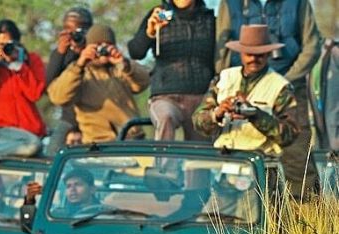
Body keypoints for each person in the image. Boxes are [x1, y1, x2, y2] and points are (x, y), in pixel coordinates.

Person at [215, 0, 323, 200]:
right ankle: (236, 216)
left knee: (298, 158)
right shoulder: (229, 3)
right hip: (244, 86)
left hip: (290, 84)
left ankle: (306, 220)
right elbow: (221, 49)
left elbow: (312, 46)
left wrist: (283, 82)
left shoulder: (298, 2)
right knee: (239, 153)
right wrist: (229, 83)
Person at [192, 25, 299, 158]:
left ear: (268, 54)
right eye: (249, 54)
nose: (254, 59)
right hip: (224, 162)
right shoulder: (224, 78)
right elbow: (197, 121)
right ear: (241, 53)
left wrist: (255, 115)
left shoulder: (281, 86)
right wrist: (217, 114)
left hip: (261, 164)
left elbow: (290, 135)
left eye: (259, 55)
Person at [127, 0, 215, 141]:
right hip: (166, 96)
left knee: (200, 151)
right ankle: (162, 164)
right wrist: (149, 32)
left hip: (201, 98)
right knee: (165, 118)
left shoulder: (210, 19)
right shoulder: (159, 14)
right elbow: (135, 52)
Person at [47, 25, 150, 143]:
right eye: (98, 45)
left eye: (107, 44)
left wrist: (124, 64)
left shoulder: (121, 69)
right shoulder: (80, 73)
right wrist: (80, 63)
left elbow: (143, 82)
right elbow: (58, 97)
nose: (102, 49)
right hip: (98, 144)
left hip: (131, 139)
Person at [0, 19, 47, 158]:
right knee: (33, 146)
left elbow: (35, 94)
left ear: (17, 43)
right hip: (0, 130)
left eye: (8, 44)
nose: (5, 48)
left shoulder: (30, 60)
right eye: (1, 44)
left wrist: (18, 66)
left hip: (30, 131)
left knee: (42, 150)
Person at [46, 7, 94, 154]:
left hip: (94, 118)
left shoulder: (95, 52)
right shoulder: (63, 54)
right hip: (69, 118)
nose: (76, 35)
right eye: (69, 30)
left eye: (81, 30)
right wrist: (61, 52)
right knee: (51, 155)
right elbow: (49, 85)